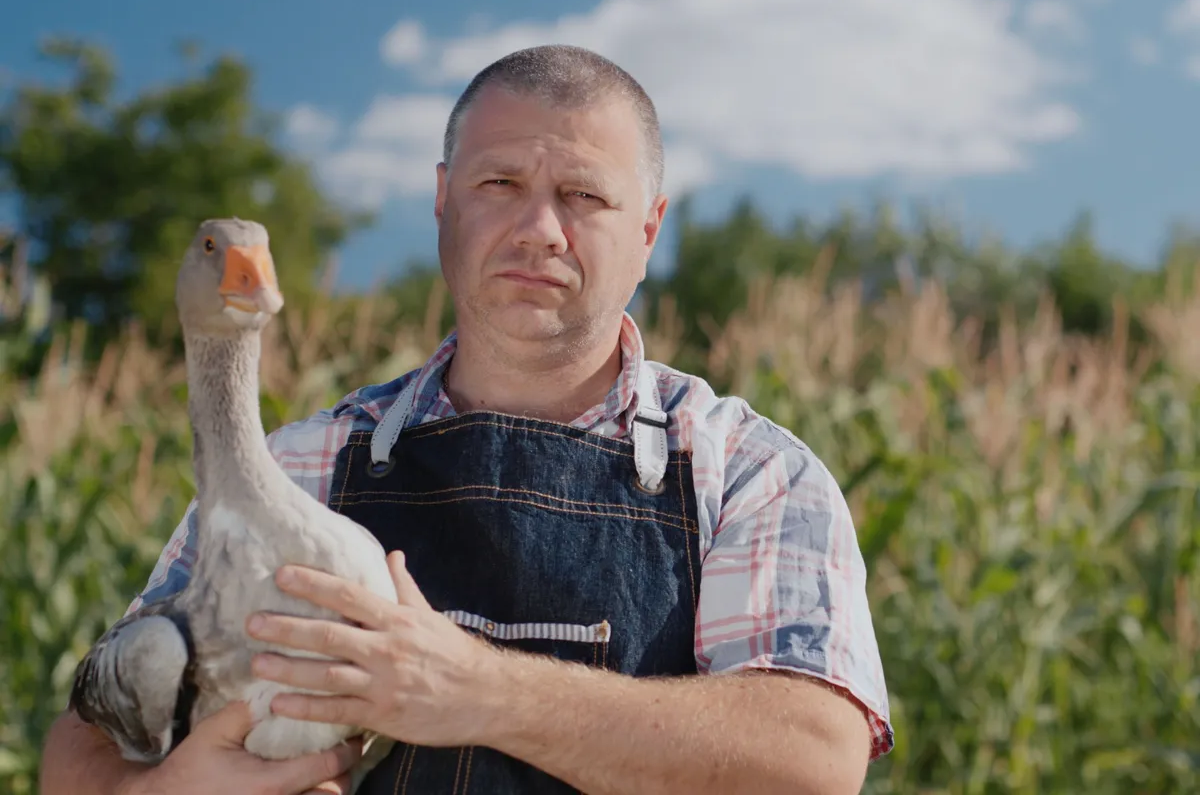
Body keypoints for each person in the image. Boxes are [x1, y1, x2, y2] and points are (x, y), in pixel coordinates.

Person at [39, 44, 893, 795]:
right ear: (444, 200)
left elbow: (810, 760)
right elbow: (94, 729)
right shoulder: (297, 466)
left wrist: (473, 688)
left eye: (584, 195)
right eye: (500, 183)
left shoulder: (747, 472)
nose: (540, 230)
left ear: (649, 229)